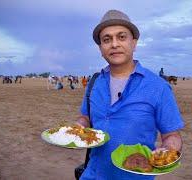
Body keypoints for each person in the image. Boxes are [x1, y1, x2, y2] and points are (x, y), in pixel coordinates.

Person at [76, 10, 184, 179]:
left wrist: (168, 150)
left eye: (121, 37)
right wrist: (78, 128)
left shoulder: (158, 87)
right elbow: (85, 117)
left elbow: (172, 135)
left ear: (134, 43)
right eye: (107, 39)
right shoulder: (94, 82)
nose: (114, 44)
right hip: (92, 175)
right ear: (100, 48)